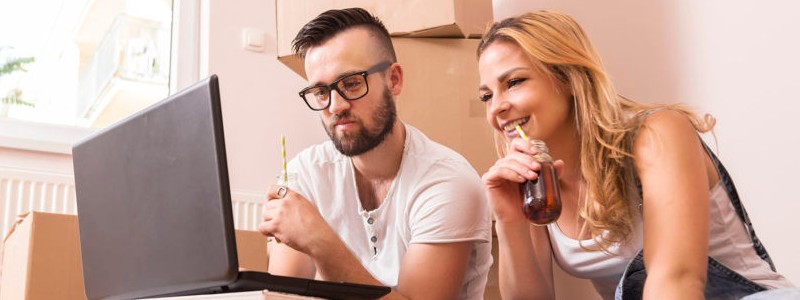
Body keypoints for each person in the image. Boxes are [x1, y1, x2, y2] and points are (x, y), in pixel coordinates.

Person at [476, 10, 795, 300]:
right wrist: (509, 219)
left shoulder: (658, 133)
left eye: (514, 82)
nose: (497, 108)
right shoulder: (536, 185)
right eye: (487, 96)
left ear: (568, 77)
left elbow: (677, 280)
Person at [257, 7, 492, 300]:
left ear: (394, 80)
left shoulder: (448, 182)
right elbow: (284, 296)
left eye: (352, 83)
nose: (335, 105)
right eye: (320, 91)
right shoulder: (305, 173)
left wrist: (320, 242)